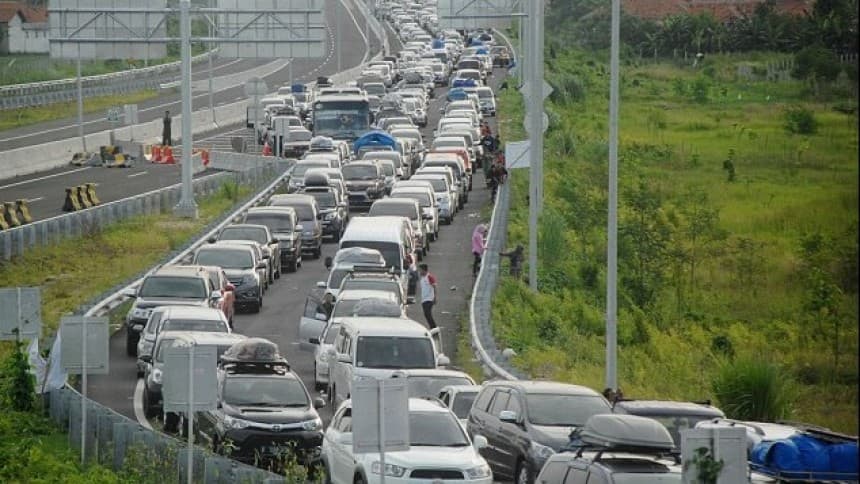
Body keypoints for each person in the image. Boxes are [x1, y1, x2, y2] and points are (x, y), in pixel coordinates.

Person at [418, 263, 437, 329]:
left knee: (427, 313)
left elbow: (434, 287)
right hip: (424, 299)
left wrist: (435, 297)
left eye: (420, 270)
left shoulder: (429, 277)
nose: (419, 271)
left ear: (424, 270)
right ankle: (432, 326)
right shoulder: (422, 278)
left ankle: (434, 327)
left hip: (429, 299)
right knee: (426, 314)